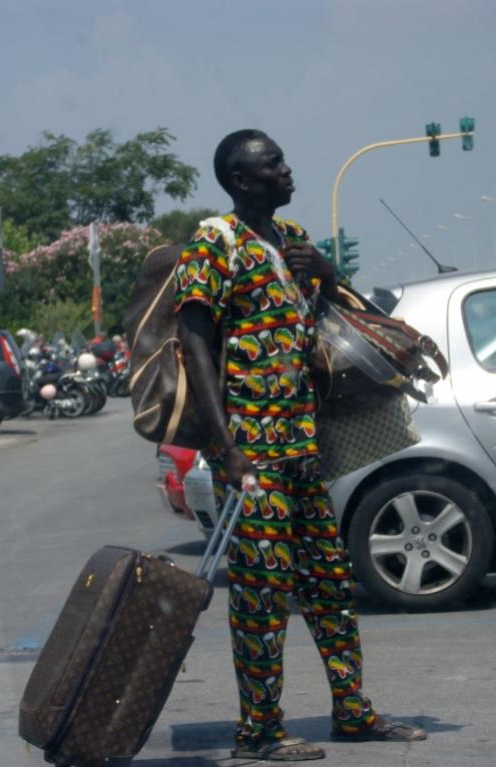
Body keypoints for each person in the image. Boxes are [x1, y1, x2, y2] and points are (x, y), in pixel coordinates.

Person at [175, 130, 426, 761]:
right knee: (262, 593)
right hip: (251, 455)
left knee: (331, 582)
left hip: (302, 447)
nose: (288, 171)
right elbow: (195, 345)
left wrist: (329, 274)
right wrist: (226, 446)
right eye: (274, 164)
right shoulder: (214, 244)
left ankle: (352, 711)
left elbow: (335, 319)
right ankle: (258, 731)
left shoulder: (292, 241)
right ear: (241, 181)